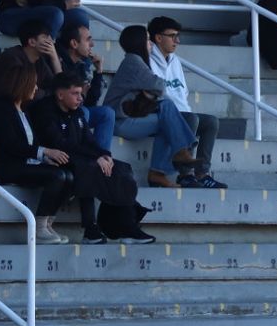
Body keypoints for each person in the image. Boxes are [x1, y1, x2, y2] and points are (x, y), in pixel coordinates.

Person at [30, 72, 153, 244]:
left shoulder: (77, 112)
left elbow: (89, 140)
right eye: (75, 93)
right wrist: (96, 158)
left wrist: (104, 155)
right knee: (90, 169)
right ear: (60, 95)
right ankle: (90, 228)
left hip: (79, 157)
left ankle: (127, 226)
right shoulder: (44, 110)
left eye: (81, 94)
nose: (80, 98)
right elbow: (60, 143)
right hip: (54, 158)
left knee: (121, 169)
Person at [0, 61, 76, 244]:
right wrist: (44, 151)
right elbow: (12, 145)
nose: (36, 87)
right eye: (33, 83)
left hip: (26, 163)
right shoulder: (1, 110)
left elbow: (32, 141)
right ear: (22, 83)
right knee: (57, 176)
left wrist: (44, 158)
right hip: (7, 166)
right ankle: (38, 228)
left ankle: (48, 224)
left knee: (68, 175)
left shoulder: (23, 109)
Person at [102, 24, 199, 188]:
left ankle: (158, 172)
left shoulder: (134, 60)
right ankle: (181, 150)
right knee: (167, 109)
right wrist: (151, 91)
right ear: (138, 42)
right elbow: (160, 86)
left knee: (167, 122)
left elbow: (154, 88)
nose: (151, 43)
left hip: (128, 116)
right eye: (147, 39)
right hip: (119, 122)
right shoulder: (133, 61)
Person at [148, 15, 226, 188]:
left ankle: (202, 173)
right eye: (172, 36)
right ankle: (185, 174)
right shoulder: (147, 59)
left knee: (211, 122)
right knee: (191, 119)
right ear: (158, 38)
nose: (177, 41)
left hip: (182, 111)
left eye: (178, 36)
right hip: (161, 112)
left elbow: (182, 92)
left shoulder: (175, 61)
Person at [0, 18, 59, 131]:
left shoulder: (39, 61)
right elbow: (20, 94)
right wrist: (47, 93)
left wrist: (54, 57)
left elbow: (61, 86)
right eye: (46, 37)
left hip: (8, 110)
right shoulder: (12, 59)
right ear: (32, 42)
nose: (51, 42)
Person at [58, 22, 115, 152]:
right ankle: (82, 158)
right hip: (61, 115)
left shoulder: (81, 65)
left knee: (107, 113)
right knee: (84, 112)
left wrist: (99, 72)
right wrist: (82, 94)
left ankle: (102, 158)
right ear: (74, 44)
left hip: (79, 110)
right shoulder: (59, 62)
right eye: (88, 40)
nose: (92, 44)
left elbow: (91, 101)